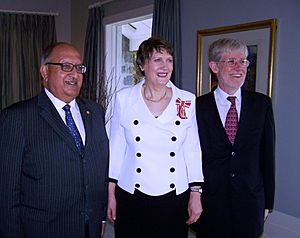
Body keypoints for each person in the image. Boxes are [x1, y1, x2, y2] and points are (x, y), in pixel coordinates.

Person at [0, 42, 109, 238]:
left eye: (79, 68)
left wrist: (100, 218)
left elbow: (98, 170)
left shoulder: (95, 112)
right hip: (42, 230)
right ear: (44, 71)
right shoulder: (17, 118)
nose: (74, 74)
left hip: (88, 228)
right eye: (66, 66)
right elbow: (6, 192)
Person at [107, 37, 204, 238]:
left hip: (173, 196)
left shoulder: (185, 100)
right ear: (142, 65)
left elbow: (192, 149)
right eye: (157, 59)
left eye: (169, 60)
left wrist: (196, 193)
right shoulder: (124, 99)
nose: (165, 66)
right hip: (132, 193)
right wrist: (110, 194)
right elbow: (116, 149)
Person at [193, 38, 276, 238]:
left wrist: (267, 203)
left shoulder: (262, 104)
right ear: (214, 66)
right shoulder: (197, 107)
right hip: (211, 205)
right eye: (231, 61)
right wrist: (192, 195)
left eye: (244, 61)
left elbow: (268, 155)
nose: (239, 67)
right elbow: (191, 156)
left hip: (250, 203)